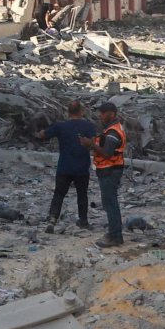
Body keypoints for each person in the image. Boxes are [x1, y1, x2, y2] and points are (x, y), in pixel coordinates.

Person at [38, 100, 97, 231]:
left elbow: (44, 135)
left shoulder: (61, 126)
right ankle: (83, 221)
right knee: (82, 195)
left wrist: (40, 131)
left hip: (64, 166)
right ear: (82, 112)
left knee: (59, 194)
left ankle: (52, 220)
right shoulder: (88, 126)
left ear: (67, 112)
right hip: (82, 167)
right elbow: (94, 143)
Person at [80, 101, 127, 247]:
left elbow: (107, 153)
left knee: (110, 204)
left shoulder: (113, 132)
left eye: (103, 113)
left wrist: (91, 144)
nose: (100, 116)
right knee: (110, 203)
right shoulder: (110, 130)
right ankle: (114, 233)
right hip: (109, 170)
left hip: (110, 171)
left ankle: (115, 236)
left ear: (111, 114)